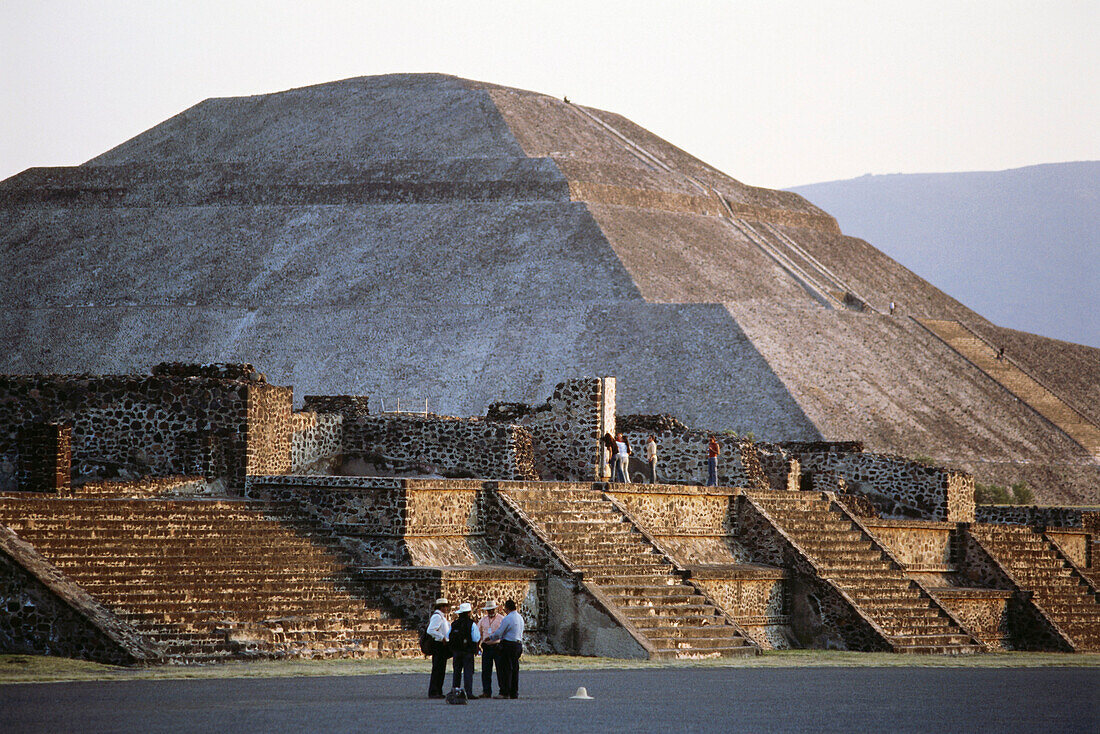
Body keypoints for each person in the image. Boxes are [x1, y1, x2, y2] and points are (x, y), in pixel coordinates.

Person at [486, 598, 525, 699]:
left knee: (506, 669)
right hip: (518, 644)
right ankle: (514, 692)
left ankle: (504, 692)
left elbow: (499, 633)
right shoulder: (520, 618)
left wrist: (490, 637)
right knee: (515, 669)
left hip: (509, 644)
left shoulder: (507, 618)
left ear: (507, 608)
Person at [449, 602, 480, 697]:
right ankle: (468, 692)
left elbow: (448, 635)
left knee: (457, 672)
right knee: (468, 672)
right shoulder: (471, 624)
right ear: (469, 613)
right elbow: (476, 638)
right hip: (468, 651)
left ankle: (455, 690)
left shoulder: (454, 624)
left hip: (457, 651)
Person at [477, 601, 504, 698]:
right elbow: (478, 632)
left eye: (492, 609)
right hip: (487, 647)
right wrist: (478, 645)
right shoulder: (483, 620)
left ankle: (502, 690)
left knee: (501, 670)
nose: (490, 611)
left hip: (497, 646)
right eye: (489, 610)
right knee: (486, 671)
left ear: (495, 609)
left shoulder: (501, 619)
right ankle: (486, 691)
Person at [426, 597, 451, 698]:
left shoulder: (442, 617)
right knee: (437, 668)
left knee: (441, 669)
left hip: (442, 645)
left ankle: (438, 690)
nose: (446, 608)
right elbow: (430, 630)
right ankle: (434, 691)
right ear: (440, 607)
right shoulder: (437, 617)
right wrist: (441, 637)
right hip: (439, 645)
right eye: (444, 606)